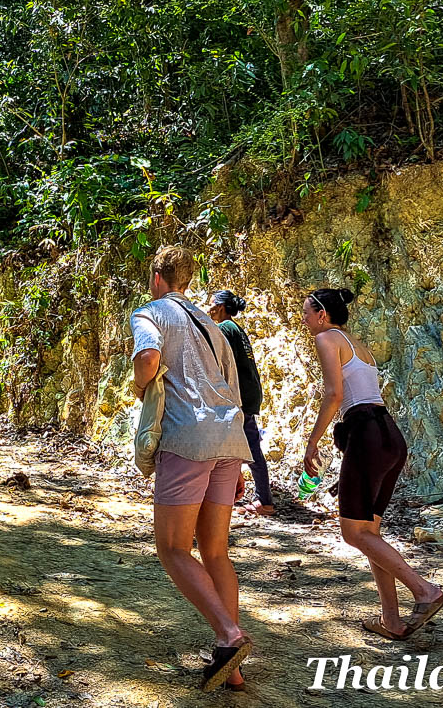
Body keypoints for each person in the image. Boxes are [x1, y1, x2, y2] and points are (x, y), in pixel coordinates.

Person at [131, 247, 254, 691]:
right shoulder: (212, 324)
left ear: (157, 276)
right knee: (216, 551)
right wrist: (237, 462)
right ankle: (233, 668)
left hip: (187, 439)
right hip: (228, 440)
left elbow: (147, 361)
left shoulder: (150, 313)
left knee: (173, 549)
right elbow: (232, 389)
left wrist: (140, 383)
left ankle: (229, 635)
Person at [300, 288, 443, 640]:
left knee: (353, 533)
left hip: (367, 433)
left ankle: (424, 591)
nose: (303, 319)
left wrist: (313, 441)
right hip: (389, 435)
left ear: (322, 314)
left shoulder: (327, 339)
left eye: (306, 312)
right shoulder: (357, 344)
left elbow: (334, 394)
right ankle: (391, 621)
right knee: (369, 533)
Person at [207, 290, 273, 516]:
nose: (209, 309)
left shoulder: (224, 329)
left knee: (248, 447)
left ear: (222, 307)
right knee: (250, 443)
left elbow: (219, 363)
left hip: (240, 396)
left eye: (211, 305)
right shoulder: (237, 329)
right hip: (249, 393)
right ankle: (262, 498)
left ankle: (264, 501)